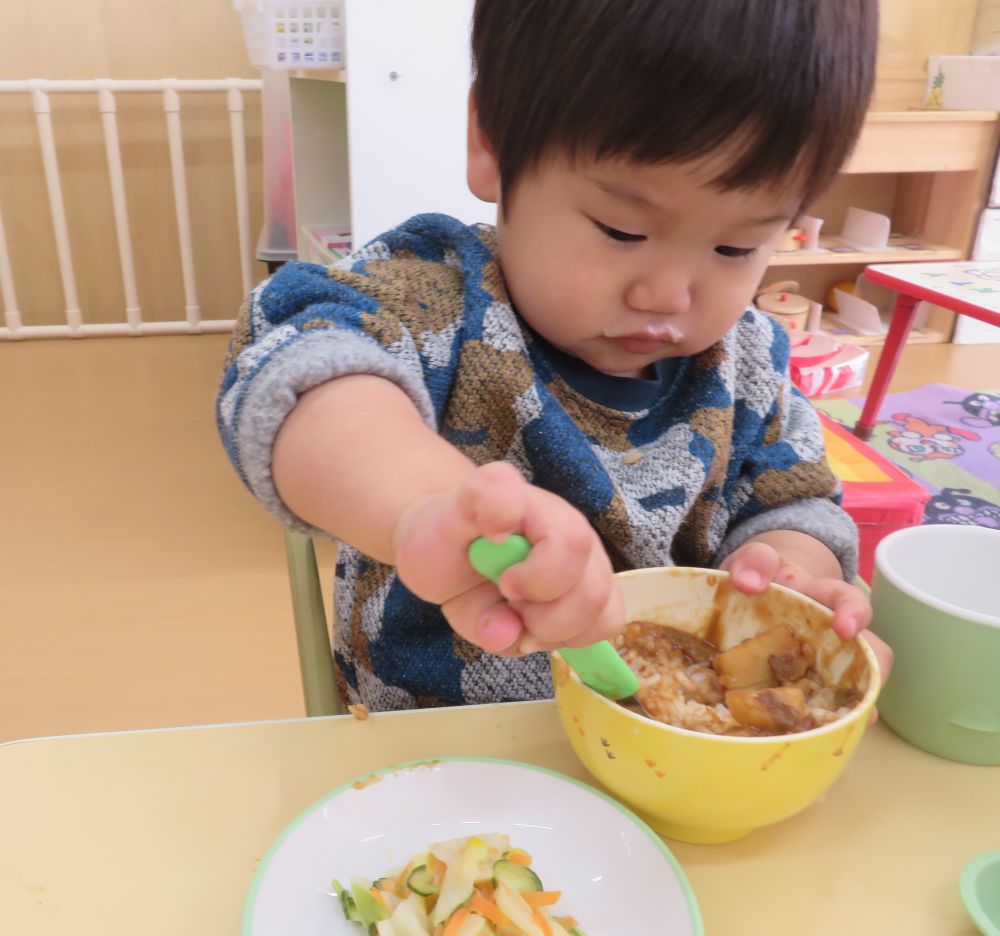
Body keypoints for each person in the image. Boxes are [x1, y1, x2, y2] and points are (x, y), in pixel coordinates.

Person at [218, 0, 892, 711]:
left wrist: (788, 571)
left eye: (735, 247)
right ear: (493, 142)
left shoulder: (748, 365)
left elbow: (797, 500)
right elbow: (299, 366)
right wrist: (424, 502)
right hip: (443, 749)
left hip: (665, 757)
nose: (667, 295)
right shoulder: (435, 302)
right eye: (622, 229)